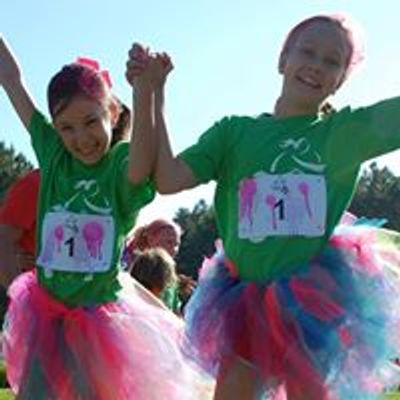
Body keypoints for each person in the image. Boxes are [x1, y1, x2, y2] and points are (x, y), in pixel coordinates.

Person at [128, 13, 400, 400]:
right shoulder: (234, 133)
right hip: (243, 301)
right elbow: (168, 178)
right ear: (282, 60)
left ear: (341, 79)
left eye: (332, 61)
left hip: (310, 303)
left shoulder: (343, 134)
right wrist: (153, 92)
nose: (317, 65)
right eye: (307, 51)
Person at [0, 40, 209, 399]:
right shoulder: (54, 159)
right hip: (47, 313)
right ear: (54, 128)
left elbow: (142, 165)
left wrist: (143, 92)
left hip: (98, 320)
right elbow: (11, 81)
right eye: (66, 127)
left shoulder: (117, 168)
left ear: (111, 113)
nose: (81, 138)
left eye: (90, 122)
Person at [124, 218, 195, 314]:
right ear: (151, 239)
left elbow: (174, 311)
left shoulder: (171, 277)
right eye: (169, 242)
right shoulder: (140, 268)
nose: (174, 249)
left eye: (177, 244)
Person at [0, 169, 40, 286]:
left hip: (87, 297)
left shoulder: (93, 187)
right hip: (40, 295)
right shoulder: (35, 183)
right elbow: (3, 242)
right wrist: (21, 299)